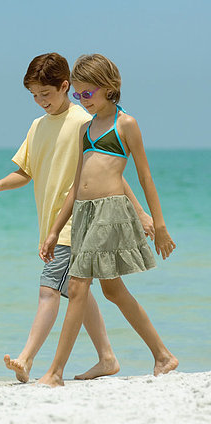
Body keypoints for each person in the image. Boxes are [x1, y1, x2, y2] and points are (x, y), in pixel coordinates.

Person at [0, 52, 153, 383]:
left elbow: (112, 173)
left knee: (50, 288)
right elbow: (26, 171)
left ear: (65, 87)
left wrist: (141, 212)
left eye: (45, 94)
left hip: (82, 222)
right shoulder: (37, 126)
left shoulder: (83, 121)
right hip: (54, 223)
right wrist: (1, 185)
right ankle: (107, 357)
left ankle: (27, 358)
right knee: (80, 290)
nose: (40, 101)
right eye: (34, 96)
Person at [38, 54, 179, 387]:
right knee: (113, 290)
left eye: (89, 93)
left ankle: (55, 372)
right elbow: (75, 185)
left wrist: (158, 225)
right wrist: (54, 231)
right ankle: (163, 355)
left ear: (109, 88)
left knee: (76, 286)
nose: (83, 100)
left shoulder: (125, 124)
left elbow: (145, 176)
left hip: (111, 213)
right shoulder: (85, 130)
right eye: (79, 94)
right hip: (85, 215)